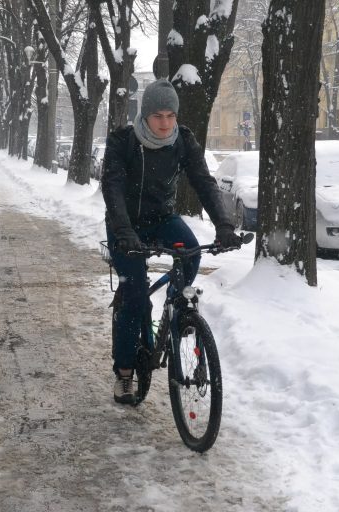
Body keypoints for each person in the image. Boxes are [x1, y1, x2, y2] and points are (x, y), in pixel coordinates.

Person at [101, 79, 240, 404]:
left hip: (162, 218)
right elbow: (113, 188)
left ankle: (176, 310)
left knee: (191, 252)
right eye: (158, 116)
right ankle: (125, 373)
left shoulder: (183, 140)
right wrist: (124, 232)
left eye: (170, 116)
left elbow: (204, 182)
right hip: (125, 225)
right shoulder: (122, 141)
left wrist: (224, 225)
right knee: (134, 297)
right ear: (145, 115)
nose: (165, 124)